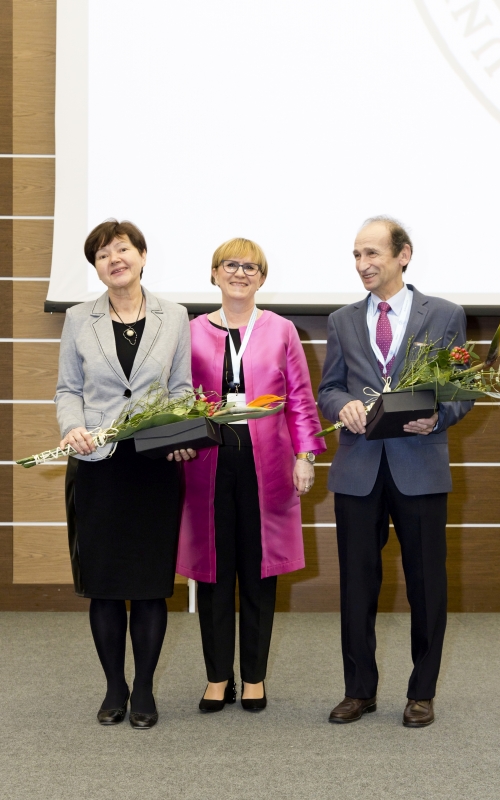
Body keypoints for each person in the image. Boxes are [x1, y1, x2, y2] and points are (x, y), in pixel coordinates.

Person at [318, 216, 473, 727]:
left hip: (419, 465)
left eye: (372, 254)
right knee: (358, 585)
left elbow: (461, 388)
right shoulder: (341, 320)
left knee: (427, 583)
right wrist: (342, 407)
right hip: (359, 468)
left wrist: (439, 416)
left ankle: (421, 691)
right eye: (356, 256)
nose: (363, 265)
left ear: (402, 255)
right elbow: (329, 389)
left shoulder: (446, 315)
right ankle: (358, 690)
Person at [175, 237, 326, 712]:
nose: (240, 273)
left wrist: (306, 455)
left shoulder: (282, 331)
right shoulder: (191, 331)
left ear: (262, 277)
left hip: (268, 464)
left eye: (250, 267)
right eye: (230, 265)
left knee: (260, 572)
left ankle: (255, 676)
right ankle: (218, 676)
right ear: (214, 273)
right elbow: (178, 398)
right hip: (207, 463)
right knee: (215, 570)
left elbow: (300, 399)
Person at [55, 219, 192, 729]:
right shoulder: (77, 318)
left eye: (122, 249)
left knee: (151, 584)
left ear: (141, 255)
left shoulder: (173, 316)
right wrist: (73, 428)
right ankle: (115, 686)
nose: (114, 259)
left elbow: (180, 387)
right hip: (97, 466)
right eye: (102, 254)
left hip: (154, 465)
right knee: (107, 585)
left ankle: (146, 689)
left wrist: (179, 437)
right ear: (96, 267)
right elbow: (68, 389)